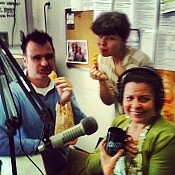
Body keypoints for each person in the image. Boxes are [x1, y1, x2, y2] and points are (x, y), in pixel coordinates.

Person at [0, 30, 89, 175]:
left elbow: (83, 123)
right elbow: (1, 143)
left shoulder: (60, 86)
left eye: (49, 56)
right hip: (33, 168)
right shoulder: (13, 94)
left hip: (63, 162)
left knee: (98, 165)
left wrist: (66, 102)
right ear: (25, 61)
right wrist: (43, 145)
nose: (44, 63)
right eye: (37, 58)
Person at [87, 66, 175, 175]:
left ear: (156, 101)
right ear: (121, 99)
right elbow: (91, 168)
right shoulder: (120, 122)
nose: (136, 105)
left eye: (144, 99)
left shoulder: (167, 135)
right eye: (129, 98)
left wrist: (108, 171)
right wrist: (110, 150)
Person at [90, 11, 150, 115]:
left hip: (142, 121)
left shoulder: (141, 61)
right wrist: (102, 81)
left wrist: (125, 78)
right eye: (100, 36)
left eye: (110, 38)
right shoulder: (102, 60)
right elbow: (108, 101)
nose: (102, 43)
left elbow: (148, 102)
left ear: (124, 41)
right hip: (120, 122)